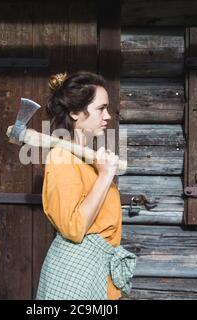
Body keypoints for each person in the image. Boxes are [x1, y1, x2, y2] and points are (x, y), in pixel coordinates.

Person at [36, 71, 136, 300]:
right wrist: (105, 176)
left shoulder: (89, 160)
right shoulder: (61, 157)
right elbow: (74, 228)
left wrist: (102, 171)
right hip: (74, 275)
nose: (108, 115)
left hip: (95, 270)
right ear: (74, 112)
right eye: (101, 108)